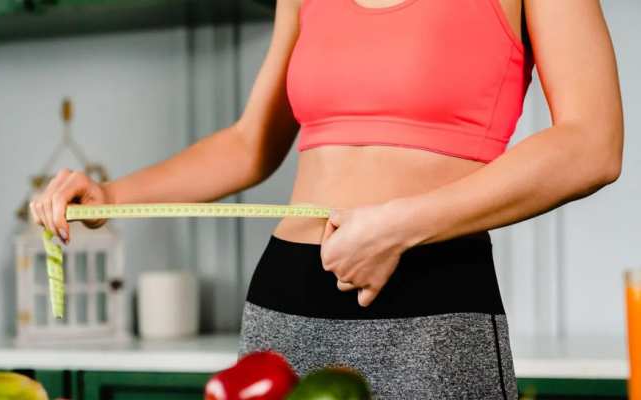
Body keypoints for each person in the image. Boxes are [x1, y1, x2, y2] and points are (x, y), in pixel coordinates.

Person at [31, 0, 623, 398]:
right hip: (282, 307)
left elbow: (592, 143)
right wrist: (111, 195)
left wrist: (400, 226)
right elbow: (248, 144)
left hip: (431, 310)